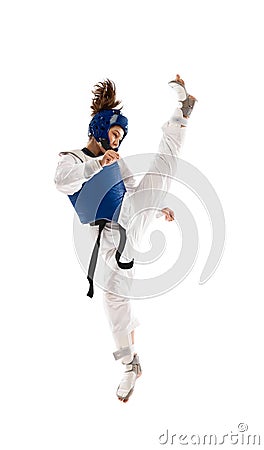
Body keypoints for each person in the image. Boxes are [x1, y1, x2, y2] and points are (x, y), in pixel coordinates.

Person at [54, 74, 196, 402]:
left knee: (163, 170)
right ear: (100, 129)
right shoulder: (71, 159)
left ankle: (182, 112)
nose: (117, 142)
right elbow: (64, 183)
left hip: (131, 216)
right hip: (107, 239)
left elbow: (132, 187)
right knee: (115, 297)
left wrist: (158, 206)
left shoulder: (116, 161)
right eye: (115, 134)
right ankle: (131, 364)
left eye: (120, 136)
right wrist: (97, 164)